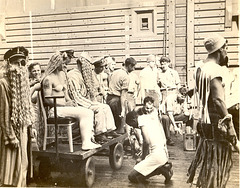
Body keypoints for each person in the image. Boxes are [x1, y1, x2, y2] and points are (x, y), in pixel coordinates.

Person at [187, 33, 239, 188]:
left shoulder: (200, 68)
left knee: (209, 164)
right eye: (226, 49)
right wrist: (230, 128)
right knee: (216, 168)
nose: (226, 53)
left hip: (203, 123)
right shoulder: (216, 70)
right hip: (216, 124)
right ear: (220, 50)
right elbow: (217, 100)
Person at [41, 52, 101, 150]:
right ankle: (86, 143)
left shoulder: (62, 75)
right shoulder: (48, 79)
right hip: (55, 110)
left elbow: (65, 94)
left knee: (88, 111)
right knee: (86, 113)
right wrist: (64, 104)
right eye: (63, 63)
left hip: (64, 108)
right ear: (56, 64)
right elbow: (47, 100)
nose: (65, 65)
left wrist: (71, 102)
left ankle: (89, 139)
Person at [0, 46, 33, 187]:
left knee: (23, 164)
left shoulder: (23, 83)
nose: (19, 67)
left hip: (23, 129)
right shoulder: (3, 84)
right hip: (10, 132)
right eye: (15, 63)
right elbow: (3, 113)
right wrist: (11, 136)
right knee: (10, 170)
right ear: (9, 64)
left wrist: (30, 126)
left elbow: (27, 107)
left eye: (22, 63)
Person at [67, 53, 118, 143]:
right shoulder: (73, 75)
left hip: (84, 100)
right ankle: (99, 134)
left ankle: (109, 130)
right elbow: (75, 96)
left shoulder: (83, 74)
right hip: (77, 102)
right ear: (80, 64)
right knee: (98, 108)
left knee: (105, 106)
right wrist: (91, 103)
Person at [128, 96, 173, 185]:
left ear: (134, 119)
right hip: (162, 154)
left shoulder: (141, 120)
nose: (134, 126)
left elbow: (146, 142)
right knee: (141, 174)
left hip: (156, 156)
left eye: (132, 124)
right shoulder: (152, 118)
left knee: (132, 177)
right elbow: (162, 137)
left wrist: (142, 158)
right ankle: (163, 168)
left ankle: (162, 170)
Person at [106, 57, 137, 134]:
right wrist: (123, 110)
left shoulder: (114, 72)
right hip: (117, 101)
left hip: (109, 99)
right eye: (133, 67)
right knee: (119, 128)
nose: (133, 69)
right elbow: (123, 95)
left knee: (112, 126)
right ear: (129, 65)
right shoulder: (125, 77)